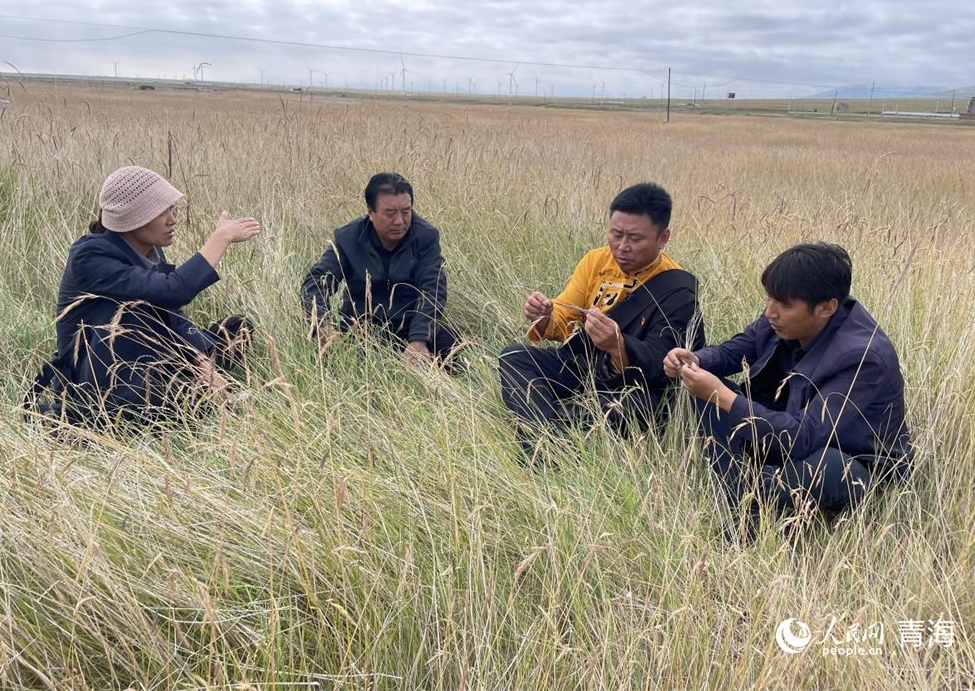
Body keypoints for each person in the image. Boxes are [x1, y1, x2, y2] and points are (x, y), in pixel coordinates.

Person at [664, 243, 912, 537]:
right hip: (785, 433)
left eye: (783, 304)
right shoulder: (780, 318)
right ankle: (743, 490)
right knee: (700, 392)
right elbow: (734, 352)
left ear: (826, 308)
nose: (770, 311)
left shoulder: (864, 357)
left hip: (850, 462)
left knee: (825, 466)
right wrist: (695, 360)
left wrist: (724, 395)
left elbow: (805, 436)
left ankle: (754, 504)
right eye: (769, 298)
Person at [28, 166, 260, 425]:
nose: (172, 220)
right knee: (186, 405)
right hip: (99, 372)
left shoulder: (147, 249)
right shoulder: (90, 256)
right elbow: (174, 291)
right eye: (162, 212)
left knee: (237, 329)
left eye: (172, 210)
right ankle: (70, 415)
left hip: (144, 355)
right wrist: (221, 237)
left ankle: (187, 388)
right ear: (134, 218)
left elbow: (168, 313)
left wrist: (202, 361)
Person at [499, 182, 704, 446]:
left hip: (631, 385)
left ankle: (548, 428)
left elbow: (664, 369)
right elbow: (564, 312)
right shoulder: (596, 261)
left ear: (662, 238)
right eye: (616, 234)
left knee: (637, 406)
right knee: (515, 356)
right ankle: (546, 439)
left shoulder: (676, 289)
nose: (622, 246)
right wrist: (545, 314)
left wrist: (619, 346)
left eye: (636, 238)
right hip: (583, 367)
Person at [300, 172, 459, 365]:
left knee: (450, 343)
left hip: (408, 326)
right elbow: (316, 282)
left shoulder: (426, 236)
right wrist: (322, 324)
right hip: (361, 328)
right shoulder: (348, 237)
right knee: (325, 354)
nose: (400, 221)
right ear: (371, 212)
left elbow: (433, 290)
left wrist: (418, 339)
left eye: (406, 211)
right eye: (390, 214)